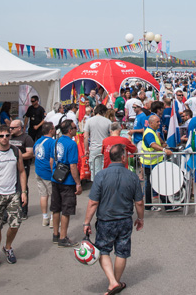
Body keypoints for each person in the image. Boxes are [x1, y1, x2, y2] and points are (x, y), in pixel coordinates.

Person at [83, 144, 144, 295]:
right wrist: (140, 218)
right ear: (123, 157)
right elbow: (139, 202)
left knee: (103, 250)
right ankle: (115, 281)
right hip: (124, 220)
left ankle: (113, 282)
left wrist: (86, 222)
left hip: (106, 220)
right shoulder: (132, 176)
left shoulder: (101, 175)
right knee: (122, 251)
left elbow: (93, 202)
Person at [0, 124, 27, 268]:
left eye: (7, 135)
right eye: (1, 136)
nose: (4, 138)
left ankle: (7, 247)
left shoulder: (16, 152)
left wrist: (24, 192)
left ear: (10, 136)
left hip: (13, 193)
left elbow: (21, 171)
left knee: (15, 224)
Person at [139, 113, 180, 213]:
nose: (159, 124)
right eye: (157, 122)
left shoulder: (152, 131)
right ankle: (166, 205)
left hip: (152, 162)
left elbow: (156, 142)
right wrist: (164, 150)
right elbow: (152, 144)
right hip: (151, 163)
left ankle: (161, 205)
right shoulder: (149, 133)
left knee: (154, 183)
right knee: (158, 184)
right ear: (151, 123)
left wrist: (163, 144)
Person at [51, 119, 82, 247]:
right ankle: (63, 237)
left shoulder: (56, 141)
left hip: (55, 177)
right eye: (75, 128)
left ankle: (55, 234)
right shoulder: (72, 144)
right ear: (70, 130)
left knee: (56, 208)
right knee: (66, 209)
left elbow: (52, 159)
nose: (76, 129)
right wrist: (78, 183)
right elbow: (73, 166)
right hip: (67, 180)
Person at [8, 119, 34, 220]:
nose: (10, 129)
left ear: (19, 128)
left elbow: (30, 153)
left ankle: (23, 210)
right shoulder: (8, 137)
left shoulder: (27, 138)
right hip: (9, 168)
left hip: (23, 167)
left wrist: (17, 157)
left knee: (22, 188)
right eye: (10, 127)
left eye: (13, 128)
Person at [33, 122, 56, 227]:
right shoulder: (52, 142)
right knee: (53, 196)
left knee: (43, 195)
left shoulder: (38, 141)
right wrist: (54, 172)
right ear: (51, 130)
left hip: (38, 170)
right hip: (48, 171)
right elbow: (52, 160)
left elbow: (35, 154)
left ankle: (44, 217)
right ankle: (52, 219)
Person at [84, 104, 112, 178]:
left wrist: (86, 149)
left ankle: (96, 186)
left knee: (94, 169)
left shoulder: (89, 121)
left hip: (94, 148)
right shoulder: (108, 121)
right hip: (106, 148)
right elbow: (112, 135)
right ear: (103, 112)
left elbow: (85, 137)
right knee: (105, 168)